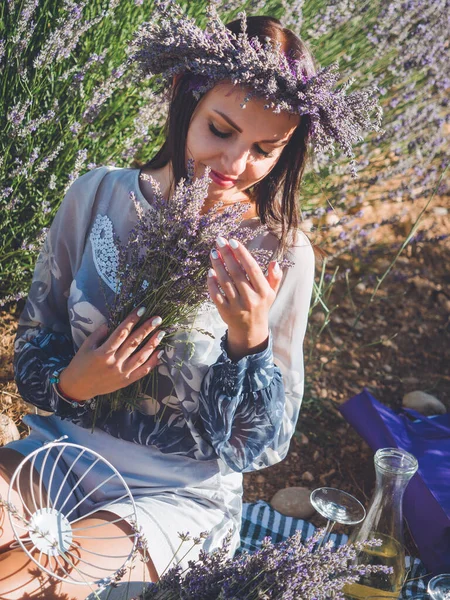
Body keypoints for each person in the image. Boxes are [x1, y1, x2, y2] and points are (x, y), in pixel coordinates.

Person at [0, 4, 380, 599]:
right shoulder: (95, 194)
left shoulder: (281, 254)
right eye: (221, 131)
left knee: (36, 583)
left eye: (265, 148)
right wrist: (74, 384)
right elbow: (32, 344)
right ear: (184, 96)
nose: (234, 164)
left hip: (171, 499)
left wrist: (249, 339)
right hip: (56, 455)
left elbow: (261, 447)